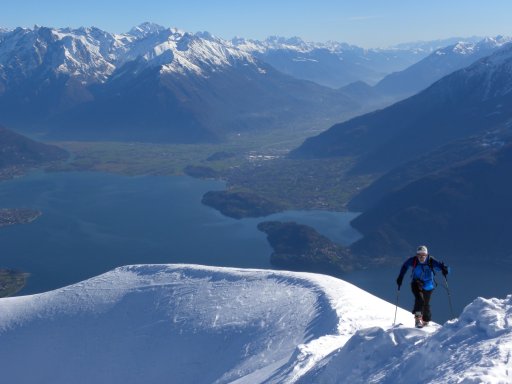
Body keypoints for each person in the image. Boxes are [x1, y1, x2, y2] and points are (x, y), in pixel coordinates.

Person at [395, 245, 449, 328]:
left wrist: (446, 270)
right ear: (416, 255)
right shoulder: (413, 260)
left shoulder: (431, 261)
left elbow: (443, 268)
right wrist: (400, 277)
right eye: (419, 255)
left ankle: (426, 321)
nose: (421, 257)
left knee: (426, 304)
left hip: (428, 285)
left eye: (423, 255)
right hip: (416, 283)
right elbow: (405, 266)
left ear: (426, 255)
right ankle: (417, 319)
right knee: (420, 299)